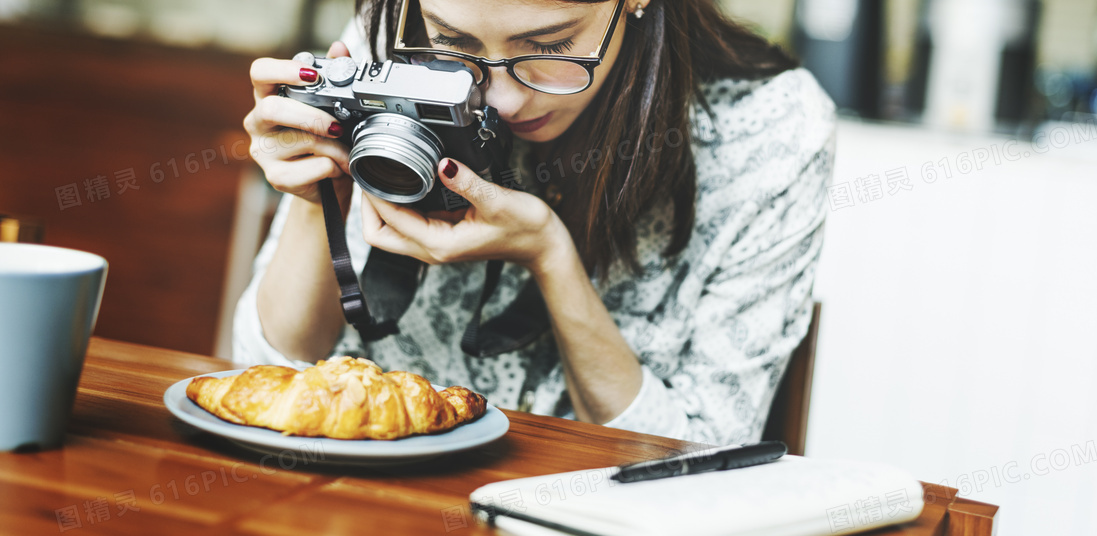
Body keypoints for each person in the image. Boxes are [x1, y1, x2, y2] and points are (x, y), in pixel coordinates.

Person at [234, 0, 836, 446]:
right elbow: (265, 376)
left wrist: (550, 255)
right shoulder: (394, 43)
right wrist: (323, 195)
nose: (502, 100)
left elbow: (701, 463)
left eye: (549, 47)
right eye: (453, 41)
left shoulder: (771, 132)